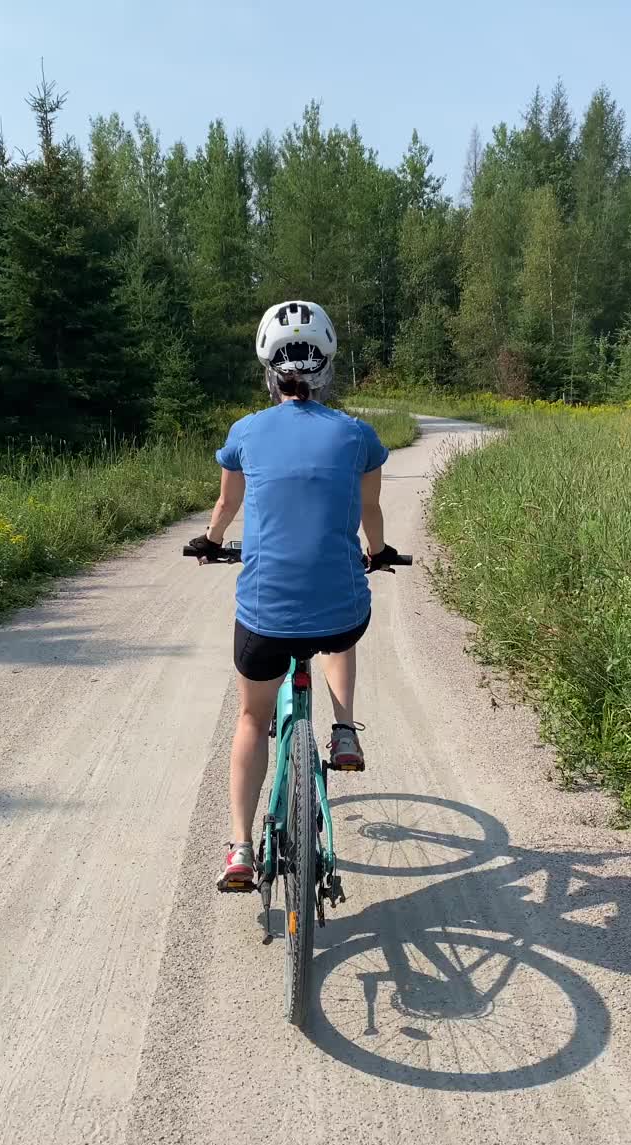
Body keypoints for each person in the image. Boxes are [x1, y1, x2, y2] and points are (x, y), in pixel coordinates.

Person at [192, 300, 397, 888]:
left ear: (269, 369)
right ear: (325, 367)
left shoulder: (246, 431)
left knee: (254, 719)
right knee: (339, 619)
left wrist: (209, 542)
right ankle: (344, 728)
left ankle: (238, 849)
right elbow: (370, 510)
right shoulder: (357, 435)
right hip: (338, 613)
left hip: (265, 619)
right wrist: (377, 555)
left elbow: (227, 507)